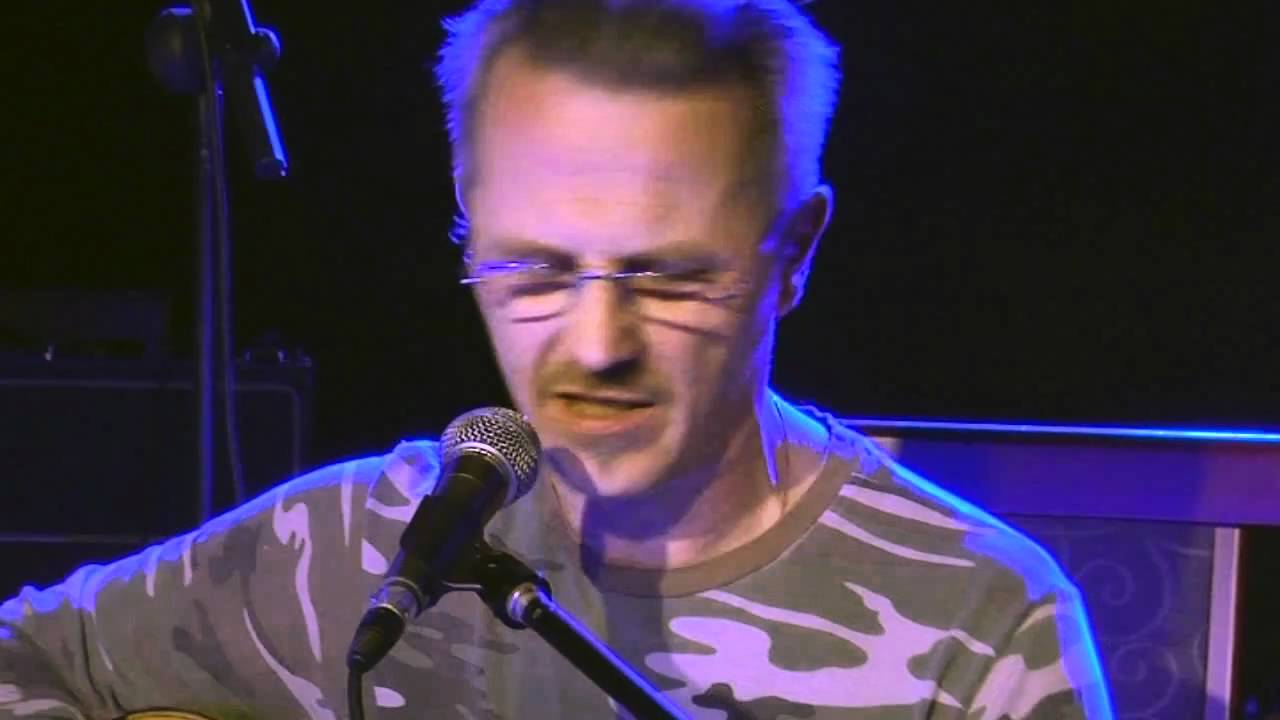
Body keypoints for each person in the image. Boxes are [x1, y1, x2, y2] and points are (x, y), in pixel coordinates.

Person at [0, 1, 1113, 718]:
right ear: (465, 231)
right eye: (533, 270)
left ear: (794, 253)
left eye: (669, 276)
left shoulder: (982, 628)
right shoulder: (351, 547)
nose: (594, 345)